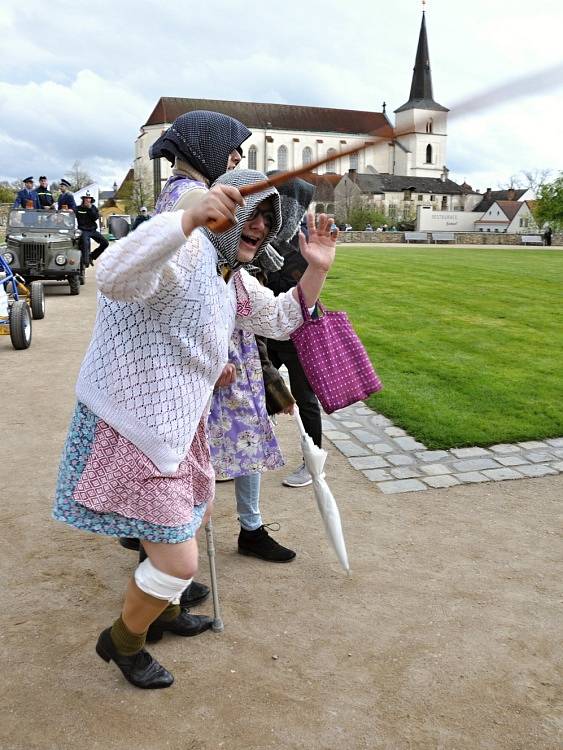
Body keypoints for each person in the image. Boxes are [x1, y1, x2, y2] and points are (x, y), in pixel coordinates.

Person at [52, 169, 337, 689]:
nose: (263, 227)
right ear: (225, 215)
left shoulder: (232, 277)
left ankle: (162, 611)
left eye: (270, 220)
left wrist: (315, 270)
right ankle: (122, 641)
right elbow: (113, 274)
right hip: (130, 422)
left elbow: (279, 319)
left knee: (196, 515)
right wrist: (185, 218)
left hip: (179, 423)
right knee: (180, 561)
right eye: (255, 215)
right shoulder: (187, 250)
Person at [266, 177, 323, 488]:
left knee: (305, 398)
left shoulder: (303, 240)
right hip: (267, 327)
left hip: (299, 331)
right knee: (257, 390)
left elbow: (298, 287)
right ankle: (252, 451)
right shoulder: (267, 234)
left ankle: (312, 463)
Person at [75, 195, 109, 267]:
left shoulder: (93, 208)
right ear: (83, 199)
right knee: (85, 243)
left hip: (92, 230)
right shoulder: (78, 208)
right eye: (86, 198)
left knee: (105, 243)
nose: (88, 200)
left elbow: (95, 217)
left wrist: (90, 208)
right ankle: (85, 261)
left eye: (89, 198)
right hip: (83, 230)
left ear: (91, 200)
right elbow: (71, 213)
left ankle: (92, 256)